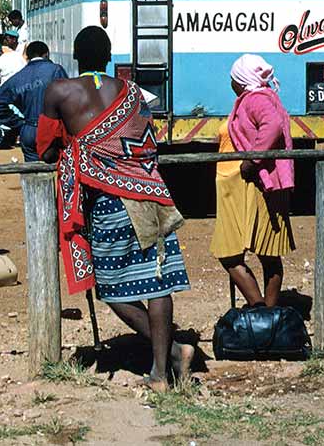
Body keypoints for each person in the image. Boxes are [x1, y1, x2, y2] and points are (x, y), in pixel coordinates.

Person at [38, 26, 194, 391]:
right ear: (108, 57)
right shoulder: (133, 92)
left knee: (109, 286)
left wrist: (78, 148)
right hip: (151, 193)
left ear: (75, 56)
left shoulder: (60, 91)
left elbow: (45, 148)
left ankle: (173, 354)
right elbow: (147, 143)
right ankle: (162, 370)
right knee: (158, 282)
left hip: (110, 200)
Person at [211, 54, 295, 307]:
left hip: (255, 184)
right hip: (241, 184)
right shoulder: (257, 97)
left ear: (241, 81)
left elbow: (272, 126)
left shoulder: (256, 99)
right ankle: (265, 313)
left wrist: (252, 159)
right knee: (265, 253)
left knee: (243, 253)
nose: (230, 84)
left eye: (233, 79)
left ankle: (261, 311)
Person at [0, 41, 68, 162]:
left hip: (29, 130)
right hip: (52, 130)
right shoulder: (55, 70)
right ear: (46, 54)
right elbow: (68, 97)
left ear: (27, 57)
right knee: (56, 166)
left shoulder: (18, 77)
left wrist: (18, 123)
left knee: (32, 170)